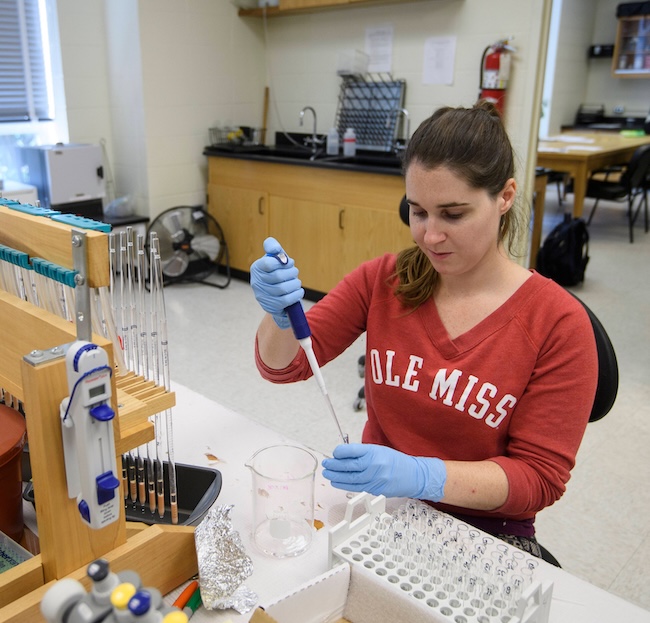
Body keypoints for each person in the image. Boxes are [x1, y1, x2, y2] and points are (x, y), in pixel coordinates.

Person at [249, 101, 598, 557]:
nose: (430, 236)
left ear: (506, 196)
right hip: (379, 508)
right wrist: (279, 316)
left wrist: (424, 475)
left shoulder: (557, 324)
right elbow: (285, 366)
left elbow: (538, 479)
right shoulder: (384, 280)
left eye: (453, 215)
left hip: (484, 533)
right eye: (417, 212)